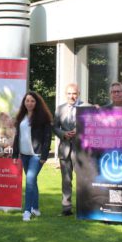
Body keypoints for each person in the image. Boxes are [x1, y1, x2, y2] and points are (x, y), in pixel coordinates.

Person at [12, 92, 52, 221]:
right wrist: (15, 153)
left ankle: (27, 211)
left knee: (29, 180)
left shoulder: (43, 117)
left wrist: (44, 156)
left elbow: (47, 138)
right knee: (32, 182)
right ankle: (35, 208)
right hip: (24, 154)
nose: (29, 103)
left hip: (37, 155)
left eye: (32, 101)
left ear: (37, 103)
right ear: (24, 102)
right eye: (27, 100)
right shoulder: (21, 117)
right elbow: (17, 136)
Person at [53, 83, 84, 216]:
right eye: (69, 93)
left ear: (78, 94)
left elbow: (92, 125)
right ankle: (66, 209)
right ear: (66, 95)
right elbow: (54, 127)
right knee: (66, 180)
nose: (72, 96)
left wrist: (80, 130)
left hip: (81, 149)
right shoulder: (60, 109)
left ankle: (84, 208)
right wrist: (63, 134)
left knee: (83, 180)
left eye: (74, 93)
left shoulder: (85, 108)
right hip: (65, 148)